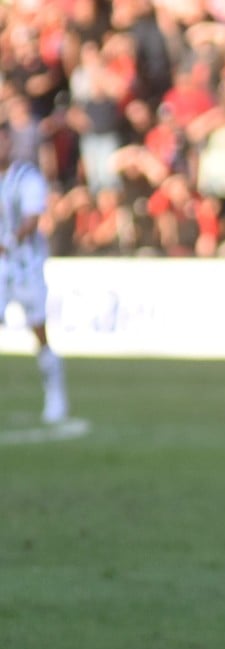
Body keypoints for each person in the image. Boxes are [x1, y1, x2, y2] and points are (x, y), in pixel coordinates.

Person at [0, 122, 68, 425]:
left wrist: (8, 241)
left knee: (38, 328)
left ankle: (55, 392)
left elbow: (31, 220)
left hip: (25, 265)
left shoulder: (27, 177)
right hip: (1, 265)